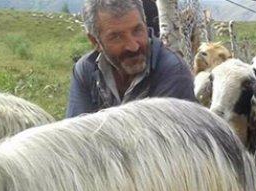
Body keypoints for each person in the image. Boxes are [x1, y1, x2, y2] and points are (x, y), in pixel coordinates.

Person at [66, 0, 195, 118]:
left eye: (137, 30)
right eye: (116, 37)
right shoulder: (86, 69)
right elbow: (75, 136)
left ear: (145, 24)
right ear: (95, 42)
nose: (133, 46)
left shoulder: (172, 72)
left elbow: (155, 141)